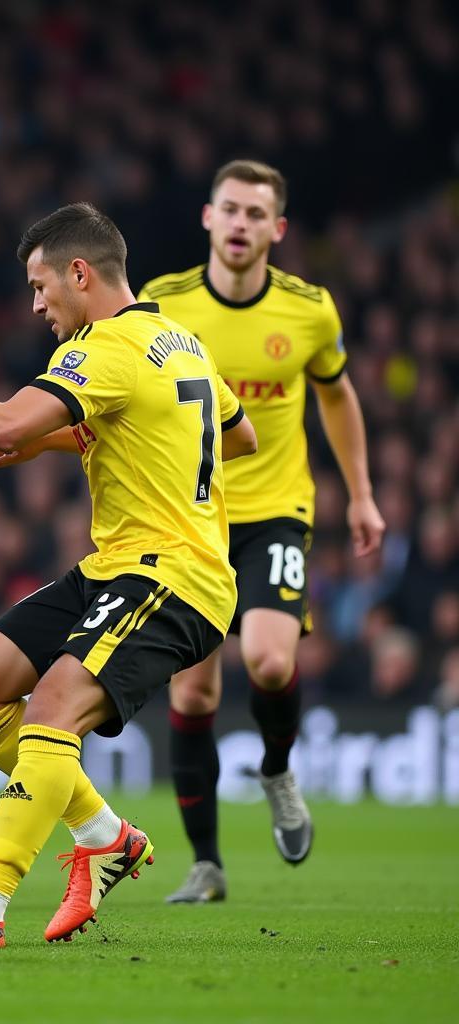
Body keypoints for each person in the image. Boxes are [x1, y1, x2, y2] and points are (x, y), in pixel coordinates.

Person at [0, 202, 257, 948]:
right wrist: (63, 441)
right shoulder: (180, 341)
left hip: (171, 575)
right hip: (117, 564)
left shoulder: (102, 347)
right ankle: (105, 834)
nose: (36, 303)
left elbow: (14, 420)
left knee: (53, 705)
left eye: (41, 284)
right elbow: (236, 435)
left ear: (80, 273)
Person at [138, 160, 385, 902]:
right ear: (209, 219)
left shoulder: (309, 311)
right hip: (193, 515)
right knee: (191, 692)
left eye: (257, 214)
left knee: (272, 663)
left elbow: (337, 397)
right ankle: (207, 864)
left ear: (276, 229)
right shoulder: (162, 304)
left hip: (277, 505)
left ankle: (276, 768)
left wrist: (362, 494)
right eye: (231, 210)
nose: (242, 224)